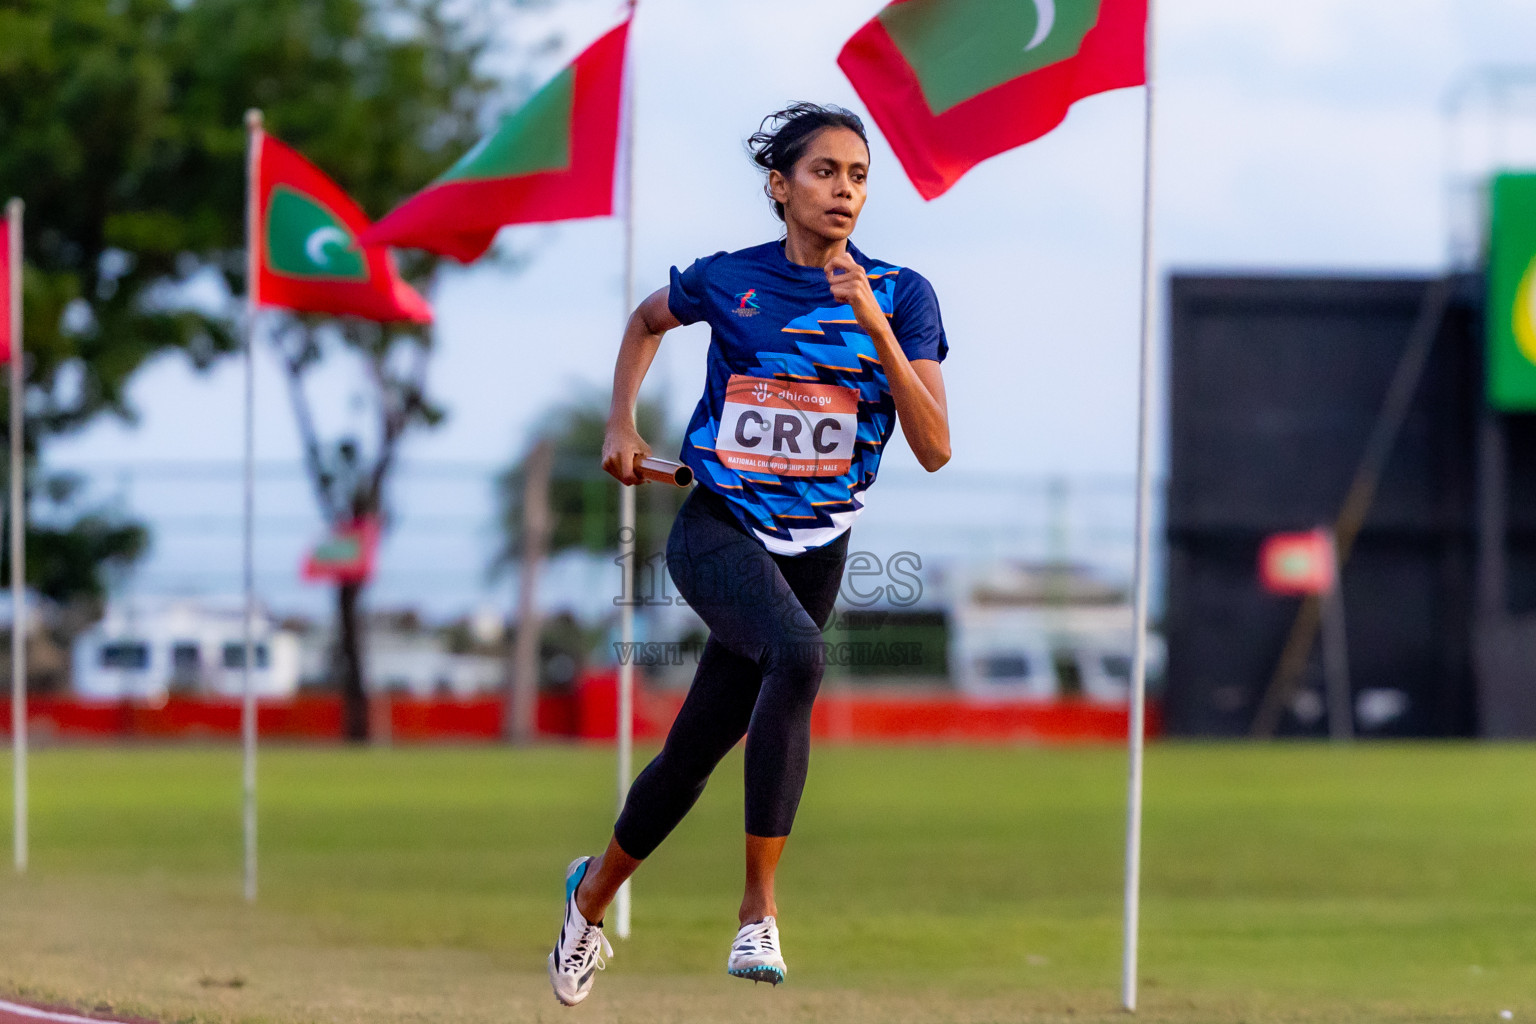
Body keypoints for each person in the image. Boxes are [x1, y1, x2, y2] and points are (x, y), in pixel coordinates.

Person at [548, 102, 951, 1006]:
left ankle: (588, 900)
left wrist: (876, 328)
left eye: (857, 176)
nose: (843, 190)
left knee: (694, 750)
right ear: (781, 186)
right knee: (800, 657)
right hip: (717, 525)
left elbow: (934, 446)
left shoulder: (904, 293)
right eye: (824, 172)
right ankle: (757, 911)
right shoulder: (730, 280)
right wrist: (621, 421)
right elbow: (647, 320)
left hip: (818, 547)